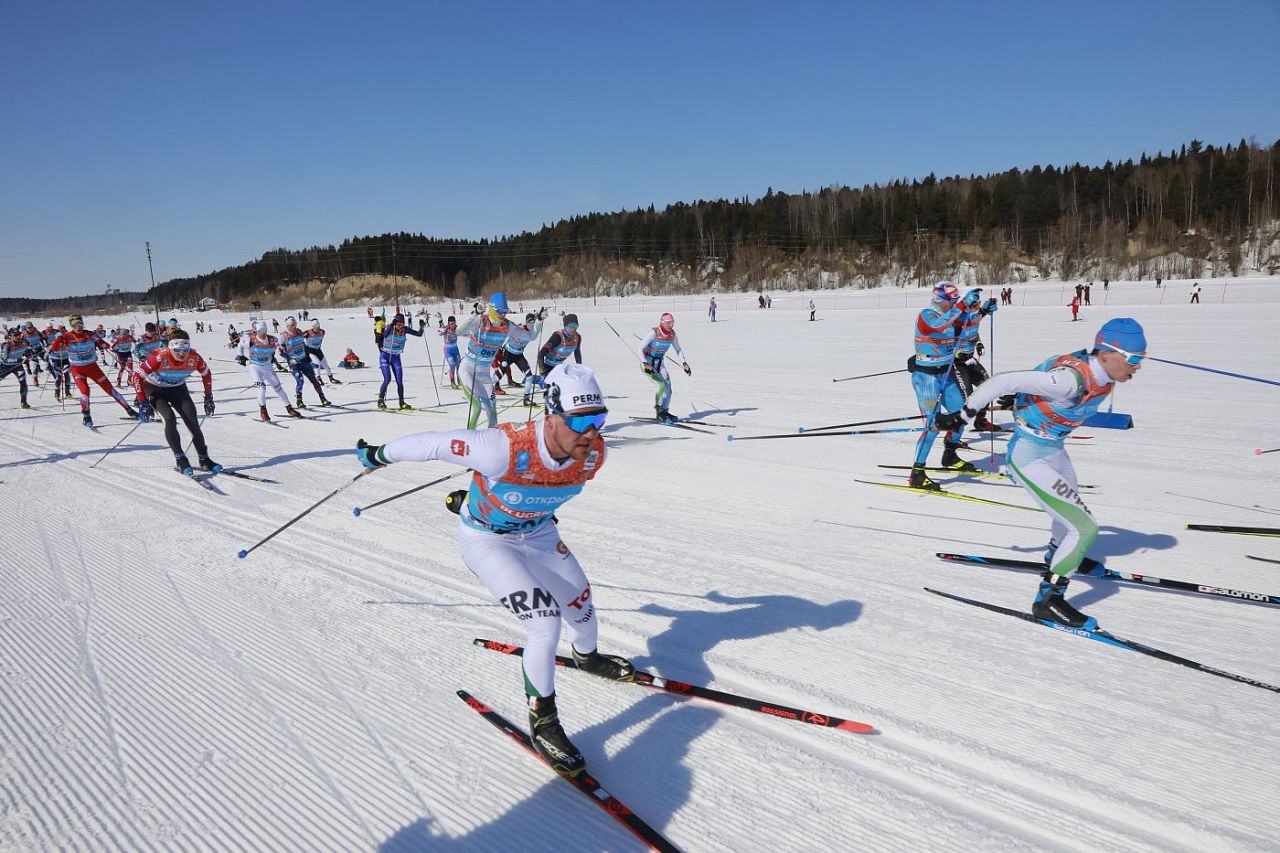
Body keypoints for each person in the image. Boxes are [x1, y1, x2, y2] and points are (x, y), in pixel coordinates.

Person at [354, 363, 633, 777]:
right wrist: (377, 455)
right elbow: (431, 443)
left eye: (599, 419)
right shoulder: (501, 447)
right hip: (486, 539)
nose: (592, 433)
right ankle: (544, 721)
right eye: (581, 421)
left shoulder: (595, 455)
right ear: (551, 415)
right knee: (544, 621)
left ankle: (587, 658)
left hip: (536, 534)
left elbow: (542, 492)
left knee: (583, 607)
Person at [936, 318, 1148, 630]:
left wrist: (1024, 398)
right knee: (1085, 528)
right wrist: (964, 415)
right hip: (1028, 455)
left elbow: (1039, 375)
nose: (1138, 367)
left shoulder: (1099, 371)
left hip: (1053, 449)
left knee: (1068, 517)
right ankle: (1048, 600)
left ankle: (1058, 556)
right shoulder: (1070, 380)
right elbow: (1002, 381)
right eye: (1133, 360)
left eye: (1141, 360)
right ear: (1107, 354)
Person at [905, 282, 983, 489]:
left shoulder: (954, 315)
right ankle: (917, 473)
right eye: (953, 300)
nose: (956, 303)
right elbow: (937, 326)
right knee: (933, 426)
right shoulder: (927, 314)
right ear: (942, 300)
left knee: (963, 414)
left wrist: (981, 312)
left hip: (945, 373)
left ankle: (949, 455)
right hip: (926, 377)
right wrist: (961, 308)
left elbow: (967, 332)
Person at [137, 329, 221, 474]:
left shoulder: (194, 358)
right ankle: (180, 458)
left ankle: (204, 459)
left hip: (177, 388)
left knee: (192, 421)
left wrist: (208, 397)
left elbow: (206, 374)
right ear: (170, 347)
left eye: (185, 350)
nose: (181, 353)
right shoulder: (159, 357)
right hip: (155, 389)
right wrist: (143, 401)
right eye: (177, 350)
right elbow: (137, 376)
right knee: (169, 418)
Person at [47, 315, 138, 427]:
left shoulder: (90, 334)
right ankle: (86, 416)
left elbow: (106, 345)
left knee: (109, 389)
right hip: (77, 369)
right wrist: (58, 339)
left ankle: (129, 410)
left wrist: (100, 341)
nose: (78, 327)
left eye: (80, 324)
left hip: (93, 368)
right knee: (85, 391)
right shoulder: (67, 336)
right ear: (71, 326)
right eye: (75, 325)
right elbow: (55, 348)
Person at [455, 294, 511, 427]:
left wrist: (537, 321)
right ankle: (468, 440)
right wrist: (474, 314)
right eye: (499, 311)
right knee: (477, 408)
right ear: (491, 308)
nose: (503, 315)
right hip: (468, 369)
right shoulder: (481, 321)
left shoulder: (507, 326)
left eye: (505, 311)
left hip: (484, 374)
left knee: (492, 411)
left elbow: (530, 336)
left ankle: (491, 439)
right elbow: (458, 331)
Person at [952, 295, 1001, 432]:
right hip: (957, 363)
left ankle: (981, 421)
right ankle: (953, 431)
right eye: (975, 306)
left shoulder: (974, 317)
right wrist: (957, 354)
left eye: (979, 305)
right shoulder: (957, 318)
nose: (977, 308)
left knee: (987, 387)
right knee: (969, 397)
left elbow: (973, 332)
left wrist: (978, 344)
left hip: (970, 360)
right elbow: (946, 340)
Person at [237, 321, 300, 420]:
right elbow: (240, 345)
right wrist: (240, 356)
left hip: (268, 367)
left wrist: (289, 356)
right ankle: (263, 411)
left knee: (279, 388)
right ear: (256, 331)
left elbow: (283, 346)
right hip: (255, 367)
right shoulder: (251, 340)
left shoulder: (273, 340)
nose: (262, 333)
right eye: (260, 331)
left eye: (264, 330)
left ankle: (289, 408)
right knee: (262, 388)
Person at [639, 313, 691, 423]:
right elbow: (640, 348)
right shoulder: (655, 332)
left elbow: (678, 349)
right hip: (648, 363)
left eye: (672, 322)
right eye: (668, 323)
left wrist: (684, 363)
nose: (671, 325)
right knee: (660, 385)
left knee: (668, 389)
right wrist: (645, 363)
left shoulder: (672, 335)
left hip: (659, 363)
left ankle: (665, 411)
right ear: (662, 322)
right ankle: (659, 412)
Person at [278, 316, 331, 409]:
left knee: (313, 379)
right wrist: (289, 359)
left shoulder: (299, 332)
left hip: (304, 360)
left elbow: (303, 345)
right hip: (294, 363)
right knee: (300, 381)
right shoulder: (284, 336)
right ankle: (299, 401)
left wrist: (307, 356)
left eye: (295, 324)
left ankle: (323, 398)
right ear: (287, 326)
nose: (294, 326)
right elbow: (280, 352)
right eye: (292, 325)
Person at [376, 313, 424, 410]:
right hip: (385, 356)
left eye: (402, 324)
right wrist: (391, 326)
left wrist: (421, 327)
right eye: (398, 324)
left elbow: (419, 334)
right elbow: (384, 335)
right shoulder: (390, 328)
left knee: (399, 381)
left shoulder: (405, 329)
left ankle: (402, 402)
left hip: (396, 357)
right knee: (387, 379)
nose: (400, 327)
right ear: (395, 323)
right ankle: (380, 400)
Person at [533, 314, 583, 406]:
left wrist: (580, 367)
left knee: (564, 386)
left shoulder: (577, 337)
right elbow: (541, 354)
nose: (574, 329)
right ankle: (536, 379)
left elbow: (577, 352)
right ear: (565, 326)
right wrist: (542, 371)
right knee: (550, 388)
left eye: (576, 326)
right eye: (571, 326)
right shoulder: (558, 336)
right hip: (547, 366)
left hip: (559, 366)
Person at [494, 310, 545, 395]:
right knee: (499, 373)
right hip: (508, 353)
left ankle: (526, 398)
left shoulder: (532, 332)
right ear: (526, 322)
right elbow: (505, 333)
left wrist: (539, 319)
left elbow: (536, 329)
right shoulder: (519, 328)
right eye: (530, 323)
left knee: (529, 376)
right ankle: (487, 389)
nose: (531, 325)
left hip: (518, 355)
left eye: (533, 323)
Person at [1, 327, 33, 409]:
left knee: (23, 382)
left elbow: (29, 352)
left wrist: (29, 356)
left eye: (19, 334)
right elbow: (6, 359)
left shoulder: (25, 342)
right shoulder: (7, 345)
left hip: (17, 366)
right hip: (5, 366)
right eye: (15, 335)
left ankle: (24, 402)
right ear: (10, 336)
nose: (18, 336)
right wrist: (20, 359)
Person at [303, 319, 341, 384]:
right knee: (317, 363)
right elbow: (300, 339)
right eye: (315, 326)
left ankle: (331, 378)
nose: (317, 328)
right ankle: (318, 378)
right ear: (312, 327)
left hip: (318, 350)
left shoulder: (322, 332)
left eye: (318, 326)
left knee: (325, 364)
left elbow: (320, 340)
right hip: (310, 351)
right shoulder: (307, 333)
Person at [439, 316, 462, 389]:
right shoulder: (446, 328)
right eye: (451, 323)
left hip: (455, 349)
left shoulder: (457, 328)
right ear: (448, 323)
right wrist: (444, 330)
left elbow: (464, 331)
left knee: (459, 365)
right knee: (452, 366)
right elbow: (439, 332)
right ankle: (452, 382)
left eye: (454, 323)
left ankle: (460, 381)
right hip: (448, 350)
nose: (452, 325)